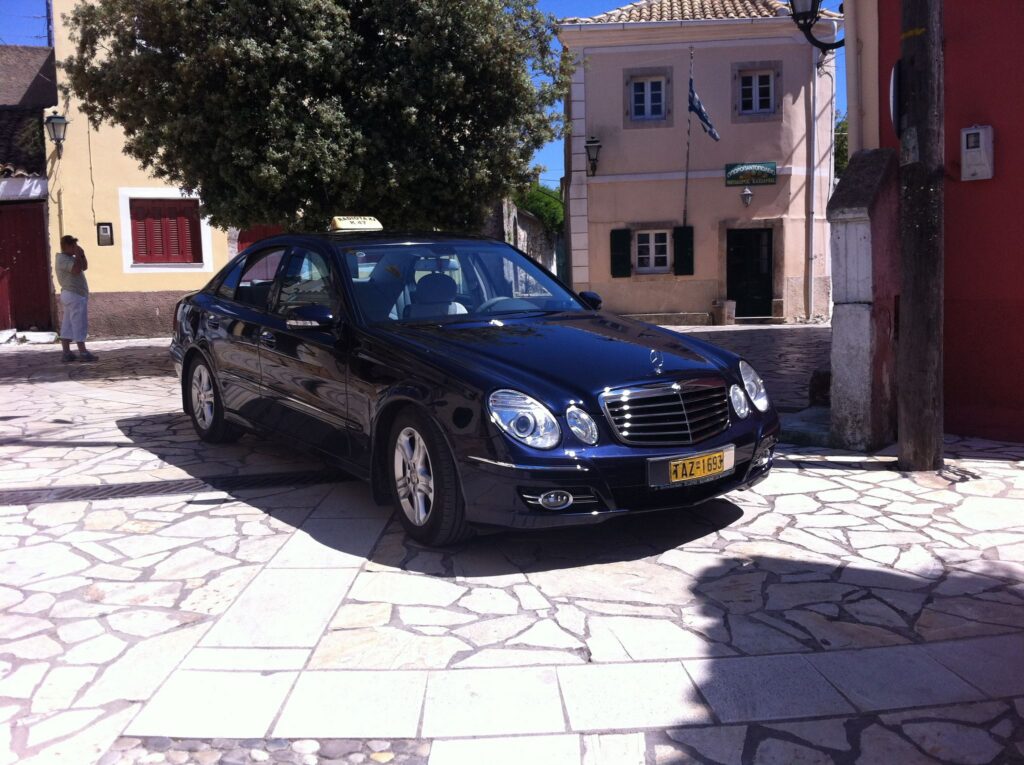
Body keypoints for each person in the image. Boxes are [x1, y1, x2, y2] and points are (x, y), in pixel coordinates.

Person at [55, 234, 96, 362]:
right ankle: (83, 352)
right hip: (74, 295)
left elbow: (84, 267)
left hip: (73, 294)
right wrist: (78, 255)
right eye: (73, 245)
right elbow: (76, 270)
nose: (75, 247)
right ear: (66, 246)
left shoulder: (70, 258)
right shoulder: (62, 259)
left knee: (68, 324)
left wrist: (82, 255)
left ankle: (66, 352)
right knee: (79, 323)